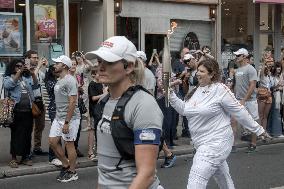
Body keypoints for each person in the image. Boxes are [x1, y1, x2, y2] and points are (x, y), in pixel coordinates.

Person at [169, 58, 270, 189]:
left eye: (201, 71)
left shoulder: (220, 89)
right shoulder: (197, 91)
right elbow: (184, 109)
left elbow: (239, 111)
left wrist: (258, 130)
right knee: (223, 179)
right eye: (198, 71)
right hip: (201, 143)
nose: (197, 74)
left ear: (212, 74)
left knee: (196, 180)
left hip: (217, 142)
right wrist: (170, 93)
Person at [85, 36, 163, 188]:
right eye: (100, 61)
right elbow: (105, 170)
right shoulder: (104, 101)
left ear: (128, 67)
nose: (100, 67)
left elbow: (147, 174)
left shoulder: (143, 104)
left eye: (109, 62)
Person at [48, 55, 80, 182]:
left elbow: (72, 102)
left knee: (69, 145)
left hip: (70, 119)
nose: (54, 65)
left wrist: (66, 122)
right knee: (52, 142)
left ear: (64, 66)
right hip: (59, 117)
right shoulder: (60, 79)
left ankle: (72, 172)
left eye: (57, 63)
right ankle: (66, 165)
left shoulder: (70, 80)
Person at [4, 59, 39, 168]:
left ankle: (25, 157)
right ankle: (14, 158)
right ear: (12, 67)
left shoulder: (26, 77)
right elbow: (8, 86)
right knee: (15, 135)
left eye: (21, 66)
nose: (20, 67)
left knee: (27, 134)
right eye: (17, 66)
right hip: (16, 110)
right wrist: (19, 73)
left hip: (28, 111)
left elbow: (35, 85)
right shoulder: (8, 77)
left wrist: (33, 74)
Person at [233, 48, 260, 152]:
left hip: (250, 101)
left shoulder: (251, 69)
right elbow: (237, 85)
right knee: (233, 121)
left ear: (244, 56)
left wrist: (244, 99)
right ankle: (233, 145)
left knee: (253, 122)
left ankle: (253, 143)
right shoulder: (238, 70)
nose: (236, 57)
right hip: (238, 100)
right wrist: (234, 98)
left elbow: (252, 85)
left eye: (238, 55)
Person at [24, 50, 48, 156]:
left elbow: (47, 79)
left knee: (40, 126)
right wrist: (38, 66)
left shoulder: (40, 72)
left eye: (37, 57)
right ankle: (26, 149)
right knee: (28, 127)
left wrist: (47, 67)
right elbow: (32, 81)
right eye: (34, 57)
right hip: (29, 103)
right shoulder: (24, 71)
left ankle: (37, 147)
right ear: (28, 59)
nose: (37, 59)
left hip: (40, 101)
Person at [87, 67, 107, 160]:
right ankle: (90, 152)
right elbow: (93, 98)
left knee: (99, 131)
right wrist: (105, 94)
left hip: (101, 110)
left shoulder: (101, 84)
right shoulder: (92, 84)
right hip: (94, 111)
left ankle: (99, 151)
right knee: (92, 130)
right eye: (99, 73)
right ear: (94, 75)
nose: (101, 75)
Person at [44, 64, 62, 166]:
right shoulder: (50, 82)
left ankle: (59, 156)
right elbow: (56, 90)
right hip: (54, 109)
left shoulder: (59, 80)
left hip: (61, 109)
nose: (59, 71)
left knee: (59, 134)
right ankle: (53, 157)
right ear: (52, 72)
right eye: (56, 69)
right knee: (55, 133)